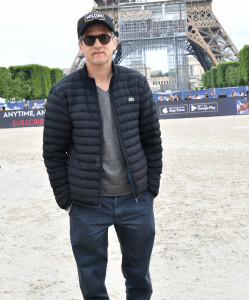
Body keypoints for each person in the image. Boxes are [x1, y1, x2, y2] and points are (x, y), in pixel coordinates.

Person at [43, 9, 163, 300]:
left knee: (139, 278)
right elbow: (54, 153)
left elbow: (152, 140)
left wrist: (151, 190)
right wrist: (67, 201)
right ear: (81, 46)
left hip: (136, 200)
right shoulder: (62, 93)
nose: (97, 43)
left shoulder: (137, 84)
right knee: (91, 281)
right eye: (90, 38)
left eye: (104, 37)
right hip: (86, 205)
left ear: (114, 42)